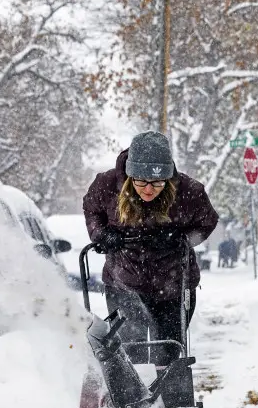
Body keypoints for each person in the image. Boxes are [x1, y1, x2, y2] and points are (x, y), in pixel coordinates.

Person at [83, 131, 218, 366]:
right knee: (130, 352)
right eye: (141, 182)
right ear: (129, 175)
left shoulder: (190, 191)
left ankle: (170, 398)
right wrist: (102, 235)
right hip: (123, 282)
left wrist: (181, 239)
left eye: (157, 183)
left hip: (173, 285)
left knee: (167, 352)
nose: (148, 190)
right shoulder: (106, 185)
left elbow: (207, 222)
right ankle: (133, 399)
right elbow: (91, 209)